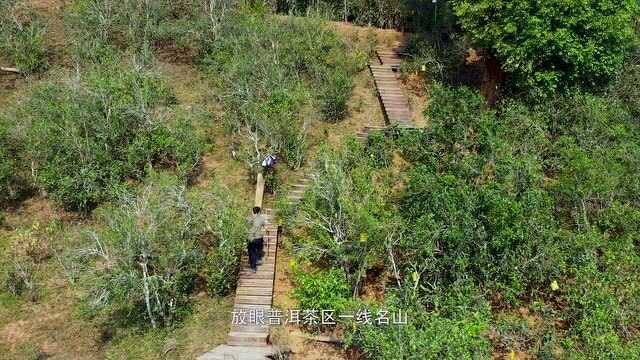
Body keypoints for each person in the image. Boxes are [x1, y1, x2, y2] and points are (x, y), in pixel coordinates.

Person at [247, 206, 266, 273]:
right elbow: (264, 226)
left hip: (251, 238)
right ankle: (258, 259)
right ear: (259, 212)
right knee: (259, 248)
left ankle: (253, 267)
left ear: (253, 211)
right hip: (259, 238)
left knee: (252, 253)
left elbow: (246, 226)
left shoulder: (249, 218)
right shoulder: (261, 218)